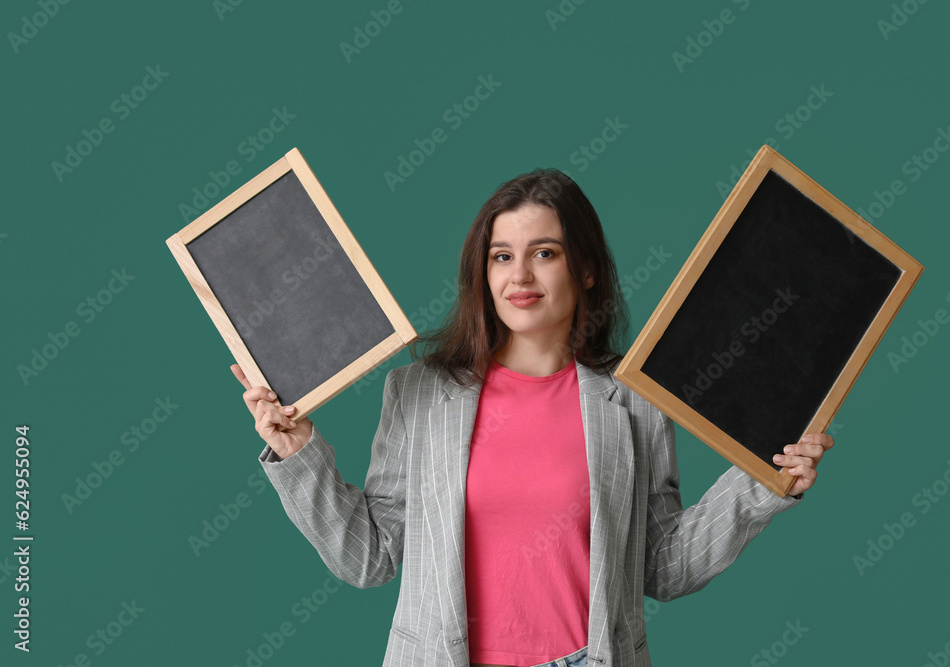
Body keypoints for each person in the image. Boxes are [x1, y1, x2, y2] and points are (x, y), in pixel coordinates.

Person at [230, 168, 833, 667]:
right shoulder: (418, 392)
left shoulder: (635, 401)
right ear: (482, 271)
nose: (518, 276)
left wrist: (761, 484)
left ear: (586, 269)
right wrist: (298, 452)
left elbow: (663, 566)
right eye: (501, 256)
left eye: (544, 253)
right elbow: (369, 557)